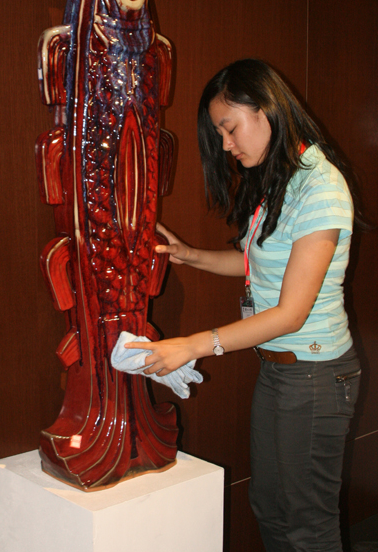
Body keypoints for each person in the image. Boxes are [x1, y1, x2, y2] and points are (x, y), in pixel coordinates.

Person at [126, 58, 361, 552]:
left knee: (307, 523)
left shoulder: (321, 186)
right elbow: (256, 263)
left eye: (230, 128)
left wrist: (194, 345)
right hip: (279, 370)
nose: (226, 145)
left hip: (315, 374)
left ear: (267, 109)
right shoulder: (283, 180)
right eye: (220, 134)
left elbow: (291, 313)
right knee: (269, 506)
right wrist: (191, 255)